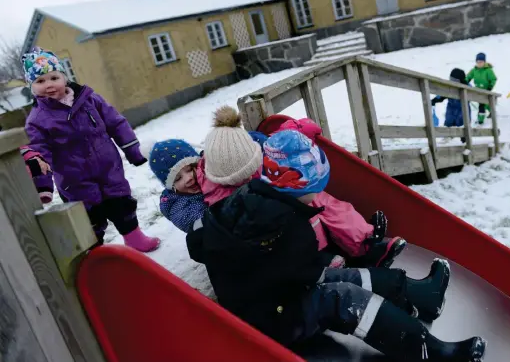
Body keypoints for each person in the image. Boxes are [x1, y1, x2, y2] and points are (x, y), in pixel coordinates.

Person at [187, 129, 486, 361]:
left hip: (263, 300)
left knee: (343, 275)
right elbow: (309, 275)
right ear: (296, 188)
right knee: (343, 296)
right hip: (272, 323)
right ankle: (430, 352)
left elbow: (196, 242)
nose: (317, 196)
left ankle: (423, 295)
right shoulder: (290, 226)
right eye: (314, 190)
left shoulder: (238, 204)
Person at [197, 106, 406, 267]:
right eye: (232, 179)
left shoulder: (259, 147)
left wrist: (297, 130)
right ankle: (324, 257)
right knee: (303, 217)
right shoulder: (214, 190)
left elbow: (279, 141)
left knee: (321, 199)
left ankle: (364, 242)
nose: (241, 180)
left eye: (247, 172)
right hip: (271, 226)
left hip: (282, 188)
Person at [22, 47, 160, 252]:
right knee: (89, 219)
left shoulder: (90, 99)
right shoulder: (37, 121)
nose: (49, 85)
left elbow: (115, 123)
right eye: (40, 81)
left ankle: (134, 237)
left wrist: (132, 150)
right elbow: (40, 153)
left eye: (54, 77)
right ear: (31, 87)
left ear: (64, 77)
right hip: (74, 180)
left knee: (122, 203)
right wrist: (43, 187)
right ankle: (96, 254)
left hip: (109, 168)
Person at [143, 139, 206, 233]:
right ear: (171, 186)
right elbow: (194, 222)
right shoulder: (176, 205)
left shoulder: (210, 170)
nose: (188, 178)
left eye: (189, 169)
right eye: (177, 178)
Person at [431, 68, 471, 142]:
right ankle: (447, 137)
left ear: (460, 80)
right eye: (451, 79)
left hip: (462, 109)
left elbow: (473, 95)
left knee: (462, 123)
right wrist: (436, 99)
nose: (452, 82)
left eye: (455, 80)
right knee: (449, 122)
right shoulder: (449, 86)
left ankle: (464, 139)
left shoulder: (466, 88)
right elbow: (443, 94)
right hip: (451, 108)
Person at [466, 53, 497, 125]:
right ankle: (492, 111)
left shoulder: (488, 70)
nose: (479, 64)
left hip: (486, 90)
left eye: (481, 62)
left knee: (482, 104)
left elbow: (493, 79)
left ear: (484, 62)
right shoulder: (474, 70)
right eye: (478, 62)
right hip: (477, 90)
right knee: (484, 103)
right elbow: (468, 76)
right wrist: (466, 81)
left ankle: (480, 120)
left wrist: (490, 87)